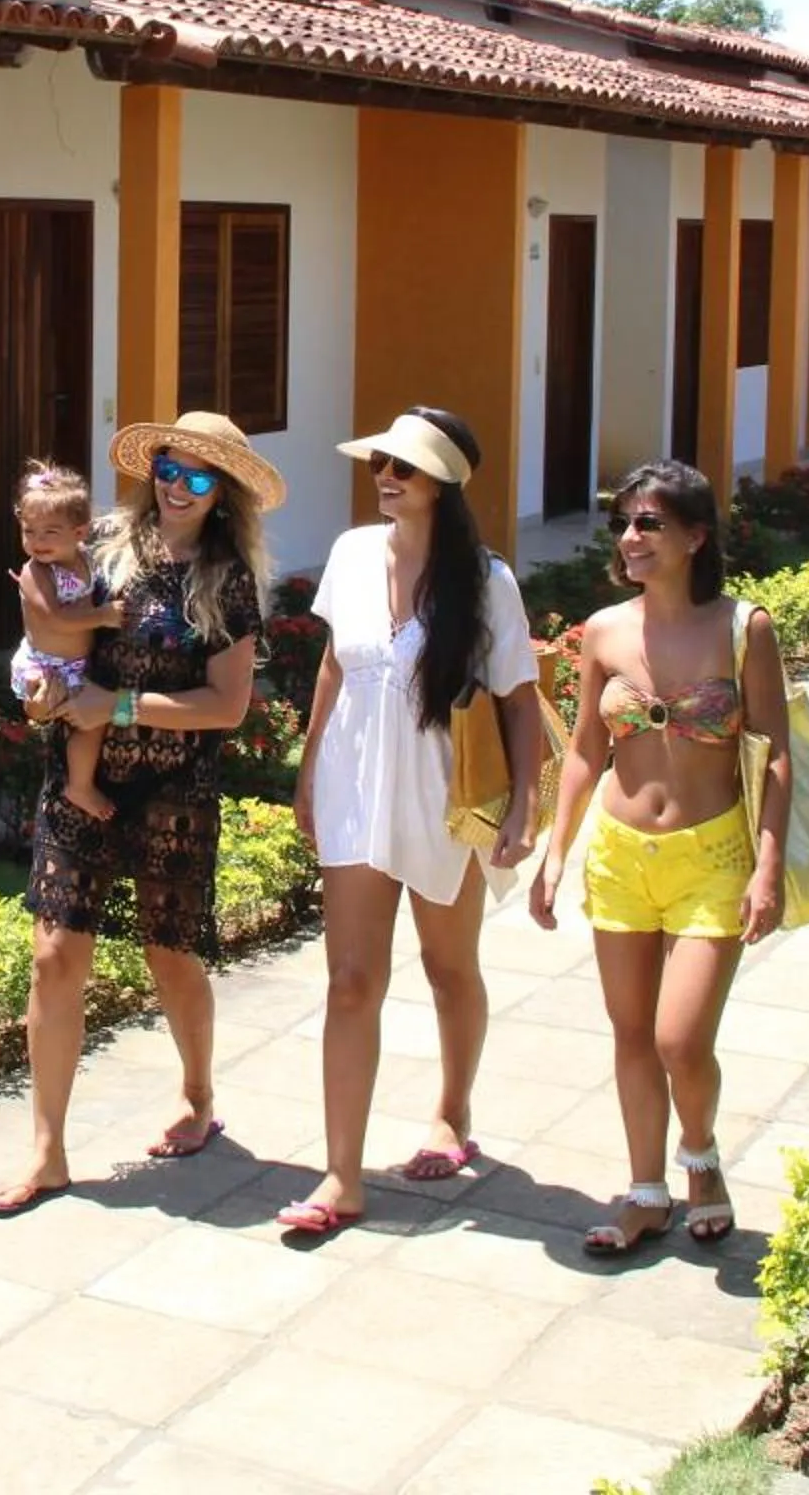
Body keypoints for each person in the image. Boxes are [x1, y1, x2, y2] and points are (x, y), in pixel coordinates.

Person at [0, 410, 278, 1219]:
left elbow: (225, 707)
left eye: (200, 476)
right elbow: (46, 620)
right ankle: (47, 1152)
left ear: (226, 493)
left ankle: (197, 1095)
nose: (179, 487)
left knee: (169, 958)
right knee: (53, 957)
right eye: (169, 470)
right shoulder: (102, 546)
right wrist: (46, 692)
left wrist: (114, 708)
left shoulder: (227, 579)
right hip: (78, 778)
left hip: (173, 792)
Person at [278, 408, 544, 1235]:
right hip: (357, 785)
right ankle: (341, 1176)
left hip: (444, 794)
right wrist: (310, 767)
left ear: (445, 484)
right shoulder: (355, 553)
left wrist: (525, 805)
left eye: (406, 468)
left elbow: (521, 698)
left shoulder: (486, 580)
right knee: (351, 981)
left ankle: (452, 1111)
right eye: (380, 466)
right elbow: (333, 665)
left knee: (447, 966)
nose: (388, 478)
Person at [526, 459, 790, 1253]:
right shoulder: (605, 631)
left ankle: (700, 1157)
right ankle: (645, 1191)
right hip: (620, 854)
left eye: (649, 523)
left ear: (695, 535)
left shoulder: (745, 628)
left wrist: (768, 866)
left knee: (681, 1038)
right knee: (631, 1031)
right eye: (623, 524)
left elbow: (774, 755)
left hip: (712, 855)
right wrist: (554, 848)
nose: (631, 538)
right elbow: (582, 751)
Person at [7, 461, 125, 821]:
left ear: (79, 532)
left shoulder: (87, 560)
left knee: (93, 722)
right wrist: (104, 615)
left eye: (49, 532)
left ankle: (77, 780)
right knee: (58, 709)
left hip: (77, 666)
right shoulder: (35, 572)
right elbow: (55, 617)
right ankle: (80, 786)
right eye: (29, 531)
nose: (37, 542)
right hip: (44, 663)